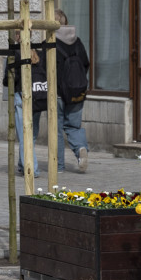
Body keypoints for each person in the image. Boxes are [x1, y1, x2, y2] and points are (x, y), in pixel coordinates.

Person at [54, 9, 91, 173]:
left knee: (56, 130)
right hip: (77, 92)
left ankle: (59, 166)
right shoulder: (77, 41)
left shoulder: (50, 42)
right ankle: (81, 148)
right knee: (74, 127)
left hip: (58, 94)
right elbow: (86, 64)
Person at [3, 37, 44, 177]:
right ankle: (22, 164)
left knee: (24, 135)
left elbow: (7, 80)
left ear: (17, 37)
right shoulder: (38, 52)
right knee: (31, 135)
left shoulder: (14, 54)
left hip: (21, 96)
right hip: (37, 97)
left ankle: (32, 169)